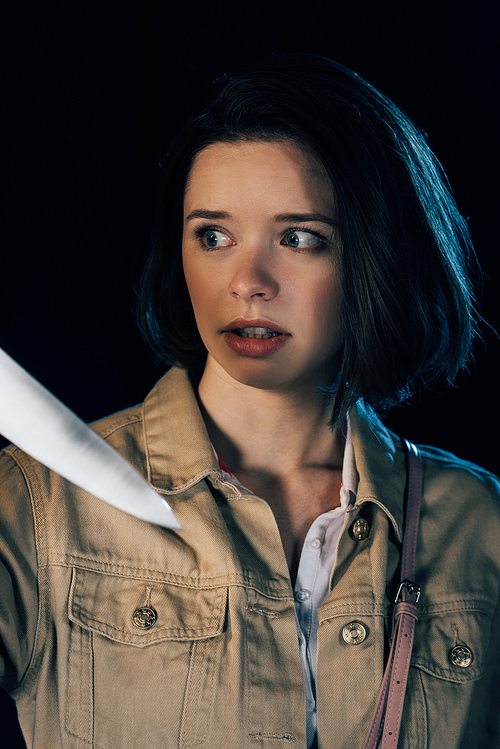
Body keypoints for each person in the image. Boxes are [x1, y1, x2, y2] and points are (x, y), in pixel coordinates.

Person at [1, 53, 499, 749]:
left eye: (298, 238)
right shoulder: (39, 501)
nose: (247, 281)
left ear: (379, 256)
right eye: (213, 235)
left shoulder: (480, 524)